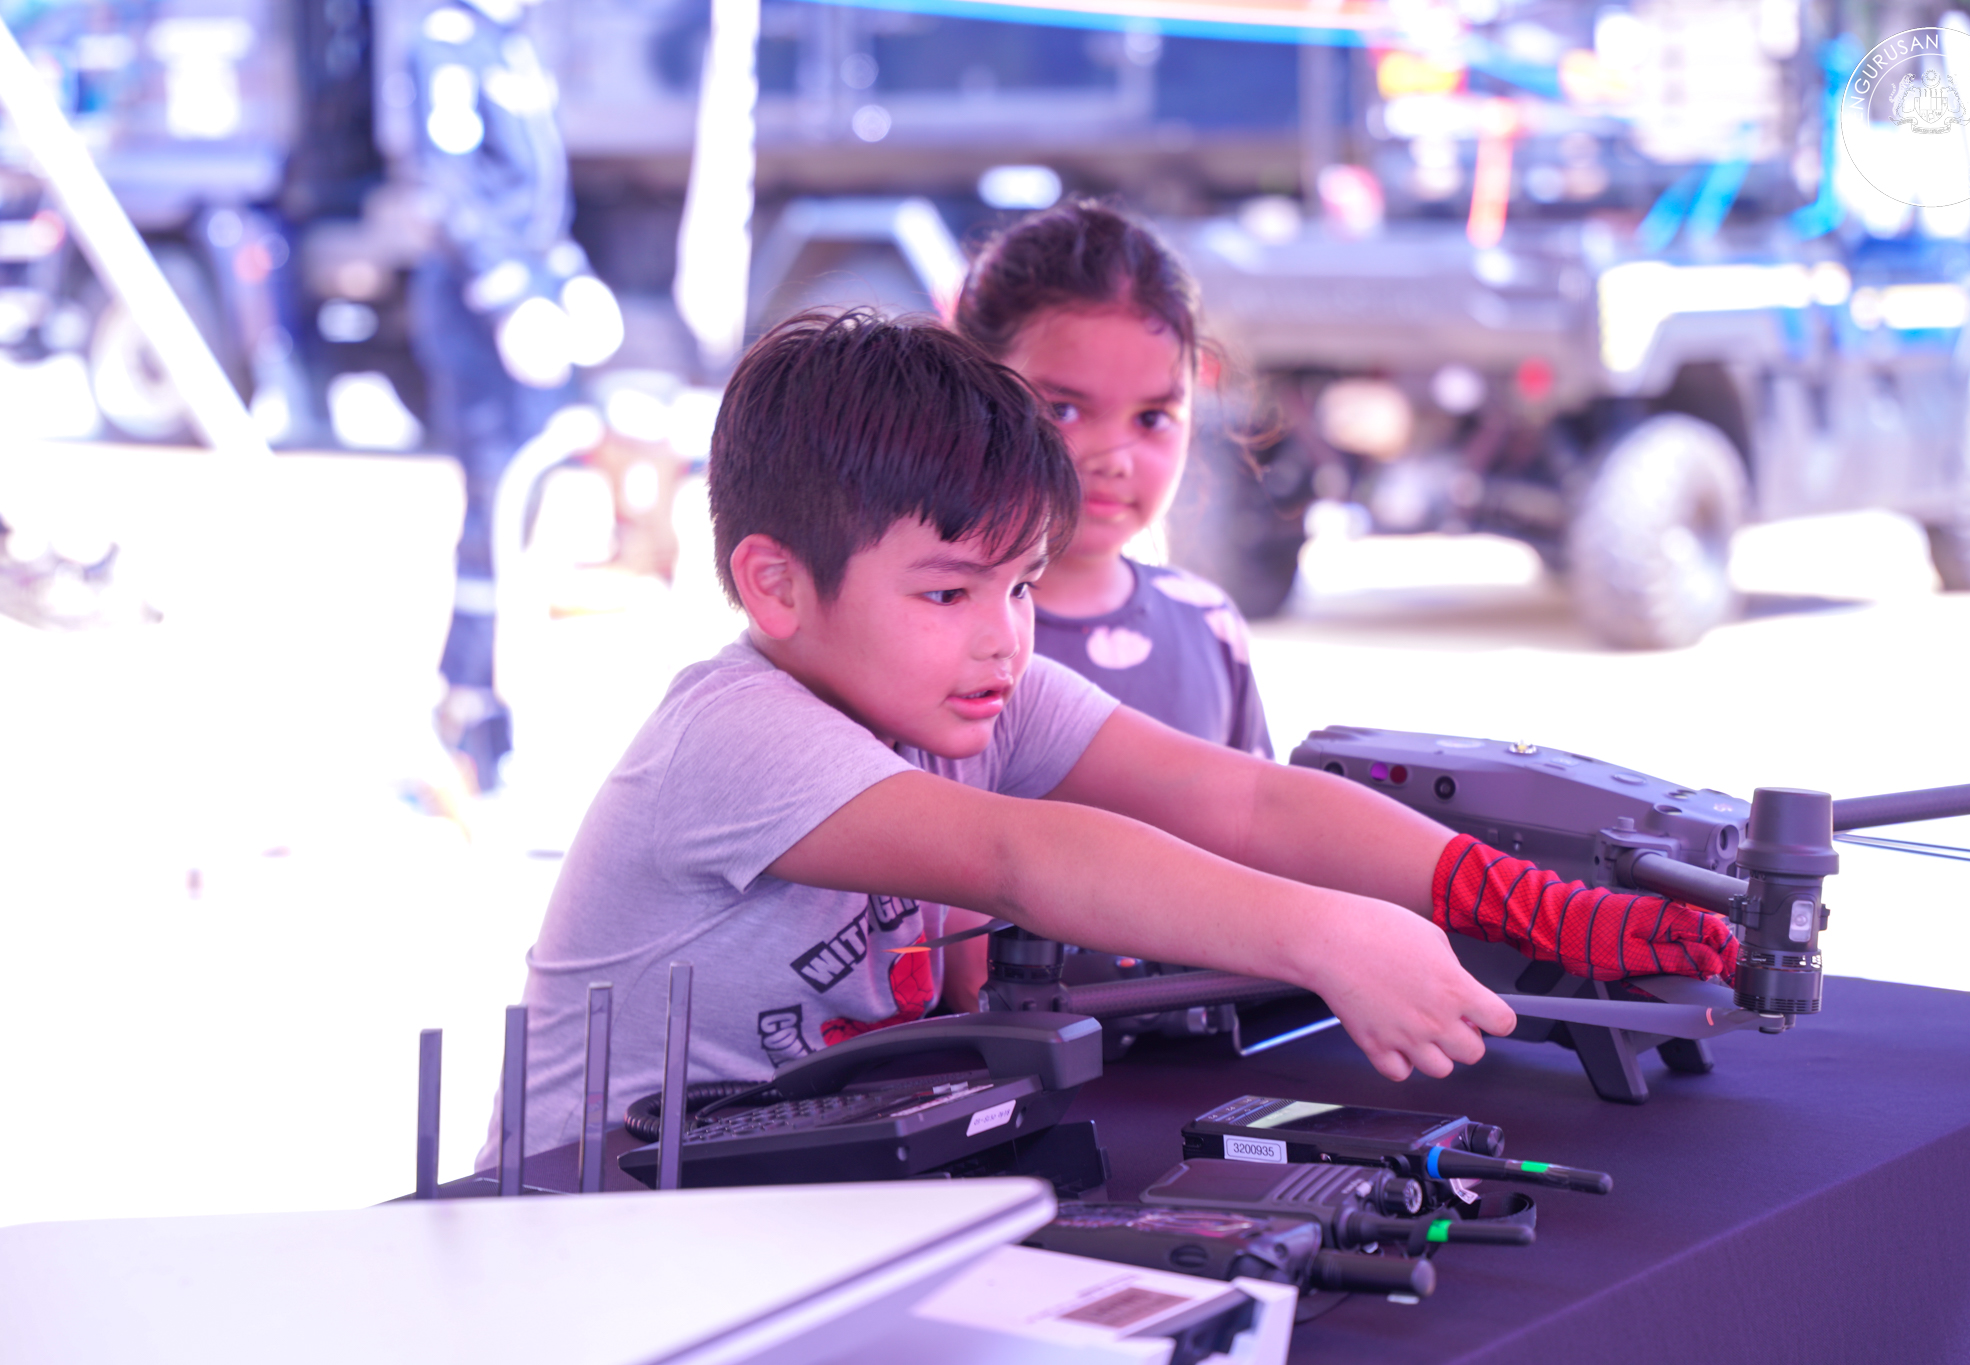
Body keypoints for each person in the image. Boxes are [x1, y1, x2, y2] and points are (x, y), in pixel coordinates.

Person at [479, 311, 1736, 1167]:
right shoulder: (732, 735)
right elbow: (1026, 859)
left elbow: (1244, 802)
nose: (1004, 638)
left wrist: (1528, 902)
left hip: (797, 1179)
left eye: (1022, 584)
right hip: (589, 1218)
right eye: (946, 591)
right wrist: (1327, 933)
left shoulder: (969, 688)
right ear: (775, 585)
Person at [948, 203, 1266, 1014]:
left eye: (1153, 418)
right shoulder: (932, 644)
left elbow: (1262, 846)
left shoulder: (1207, 625)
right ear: (971, 391)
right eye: (1063, 410)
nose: (1113, 456)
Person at [406, 0, 624, 790]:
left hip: (531, 295)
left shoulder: (513, 42)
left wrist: (567, 274)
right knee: (493, 509)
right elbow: (451, 188)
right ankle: (463, 702)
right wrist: (507, 295)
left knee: (524, 509)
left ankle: (490, 702)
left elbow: (529, 196)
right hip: (478, 312)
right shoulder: (450, 41)